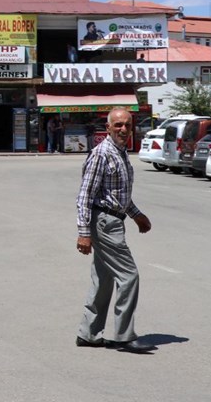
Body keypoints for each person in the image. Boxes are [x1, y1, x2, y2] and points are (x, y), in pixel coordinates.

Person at [75, 107, 153, 353]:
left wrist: (136, 214)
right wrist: (84, 232)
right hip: (105, 223)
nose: (123, 129)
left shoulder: (120, 153)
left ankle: (88, 334)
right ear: (107, 128)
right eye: (118, 125)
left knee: (104, 279)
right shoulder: (102, 153)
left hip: (113, 219)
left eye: (127, 125)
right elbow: (85, 195)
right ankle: (123, 335)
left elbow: (116, 194)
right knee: (129, 276)